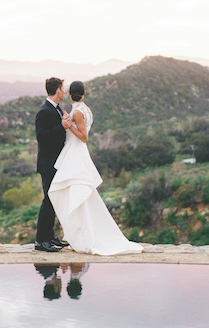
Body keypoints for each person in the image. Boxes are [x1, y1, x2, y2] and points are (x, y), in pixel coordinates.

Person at [48, 81, 143, 255]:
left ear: (70, 94)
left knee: (78, 195)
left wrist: (69, 126)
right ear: (83, 94)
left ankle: (83, 237)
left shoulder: (77, 112)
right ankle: (78, 235)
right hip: (74, 154)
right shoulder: (85, 109)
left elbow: (83, 137)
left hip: (76, 153)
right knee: (77, 196)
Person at [34, 77, 72, 252]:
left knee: (54, 200)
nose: (64, 92)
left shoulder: (57, 110)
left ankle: (50, 237)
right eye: (63, 88)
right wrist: (62, 127)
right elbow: (42, 137)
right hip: (48, 164)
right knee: (48, 200)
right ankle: (41, 241)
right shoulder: (44, 111)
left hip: (56, 163)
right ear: (58, 90)